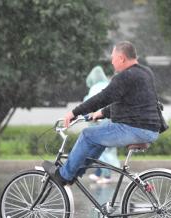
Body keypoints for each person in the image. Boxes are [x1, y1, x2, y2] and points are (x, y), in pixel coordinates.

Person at [54, 41, 162, 185]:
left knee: (87, 135)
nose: (112, 62)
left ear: (122, 58)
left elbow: (102, 98)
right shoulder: (145, 72)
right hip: (150, 129)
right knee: (98, 137)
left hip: (135, 129)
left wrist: (74, 113)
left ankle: (64, 176)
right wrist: (102, 113)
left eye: (113, 57)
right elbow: (132, 103)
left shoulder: (124, 76)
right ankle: (75, 172)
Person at [83, 66, 120, 184]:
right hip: (111, 120)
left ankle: (106, 176)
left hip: (99, 121)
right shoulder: (108, 85)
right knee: (107, 149)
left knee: (98, 148)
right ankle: (100, 173)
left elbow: (89, 103)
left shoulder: (94, 88)